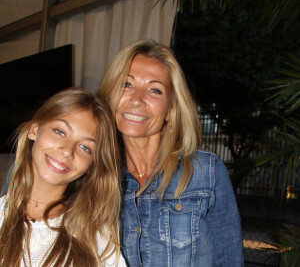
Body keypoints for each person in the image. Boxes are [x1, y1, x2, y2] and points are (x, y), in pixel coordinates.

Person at [98, 39, 244, 266]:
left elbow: (230, 261)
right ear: (110, 94)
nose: (137, 100)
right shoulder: (96, 177)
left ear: (170, 109)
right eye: (127, 84)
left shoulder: (207, 173)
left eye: (154, 90)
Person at [0, 88, 126, 266]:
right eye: (60, 132)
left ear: (91, 166)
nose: (67, 151)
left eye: (85, 147)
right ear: (34, 130)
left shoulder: (96, 237)